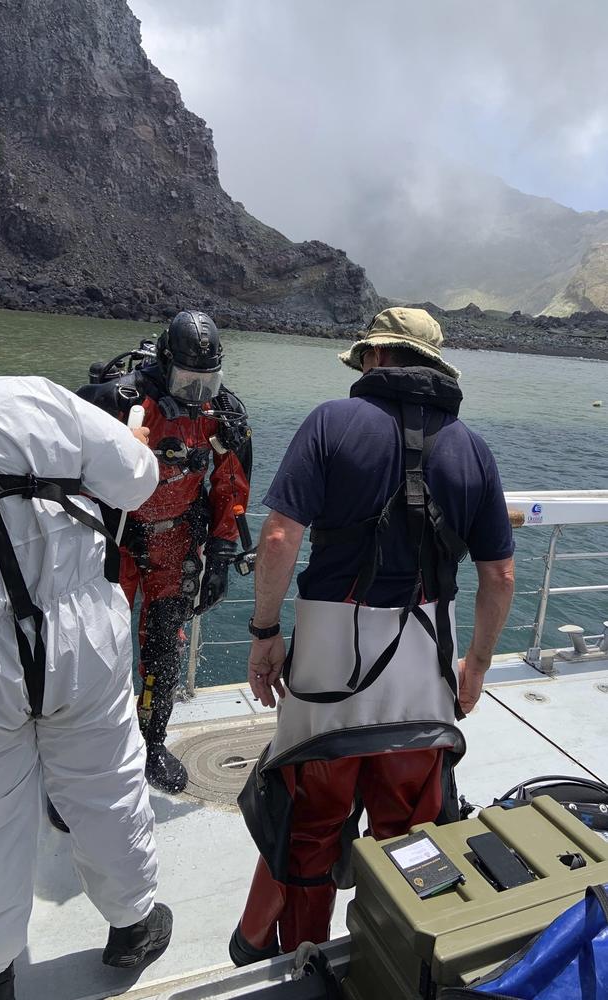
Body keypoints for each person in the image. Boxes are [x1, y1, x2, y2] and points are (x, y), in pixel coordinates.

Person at [231, 307, 515, 964]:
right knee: (412, 829)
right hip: (422, 675)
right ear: (431, 367)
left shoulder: (331, 422)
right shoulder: (471, 447)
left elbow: (279, 538)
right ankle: (398, 957)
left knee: (311, 825)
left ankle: (304, 957)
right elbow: (498, 574)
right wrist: (475, 665)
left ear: (378, 358)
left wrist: (265, 632)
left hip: (329, 671)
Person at [0, 320, 172, 1000]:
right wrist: (131, 441)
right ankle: (133, 925)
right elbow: (138, 484)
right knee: (106, 782)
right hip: (83, 630)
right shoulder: (38, 398)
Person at [77, 310, 252, 794]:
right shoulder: (119, 401)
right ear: (164, 363)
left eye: (207, 381)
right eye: (187, 381)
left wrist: (219, 556)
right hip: (113, 546)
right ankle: (85, 758)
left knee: (162, 653)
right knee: (94, 652)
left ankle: (152, 742)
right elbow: (71, 476)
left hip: (174, 546)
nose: (197, 392)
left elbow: (229, 486)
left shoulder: (224, 414)